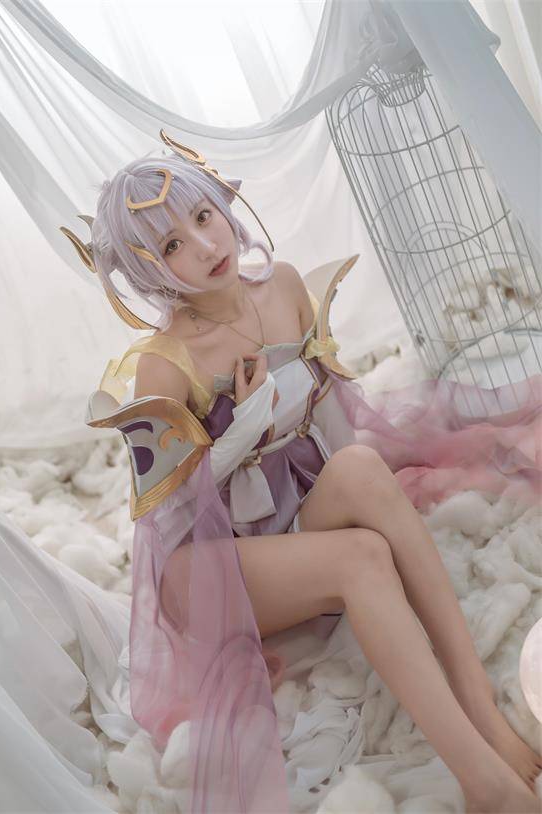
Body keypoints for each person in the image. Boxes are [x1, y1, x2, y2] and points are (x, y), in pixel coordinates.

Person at [63, 130, 542, 813]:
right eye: (170, 245)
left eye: (202, 216)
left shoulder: (282, 287)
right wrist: (244, 423)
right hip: (211, 567)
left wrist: (367, 494)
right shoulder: (164, 364)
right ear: (149, 272)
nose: (203, 245)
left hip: (288, 517)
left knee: (361, 465)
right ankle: (483, 782)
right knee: (361, 555)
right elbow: (169, 517)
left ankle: (475, 699)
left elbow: (333, 418)